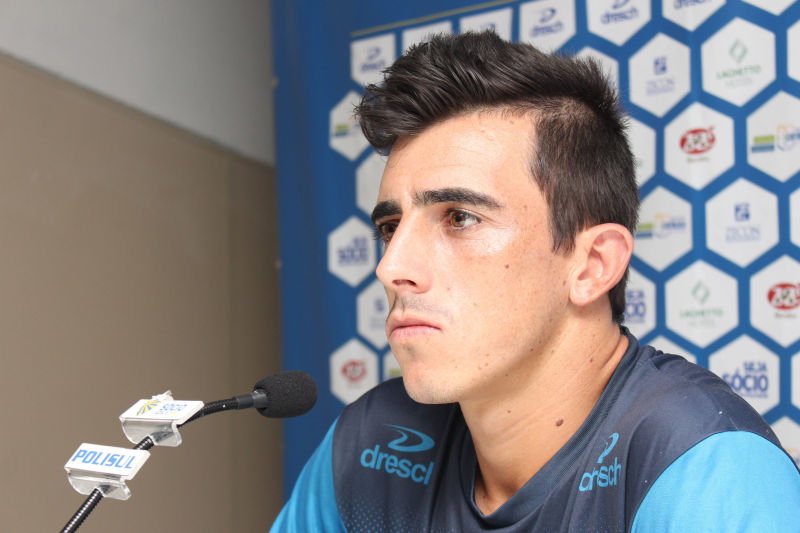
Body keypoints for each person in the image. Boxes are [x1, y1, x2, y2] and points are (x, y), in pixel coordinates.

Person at [271, 31, 800, 532]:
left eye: (460, 218)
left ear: (593, 265)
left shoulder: (702, 464)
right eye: (390, 227)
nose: (391, 267)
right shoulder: (371, 445)